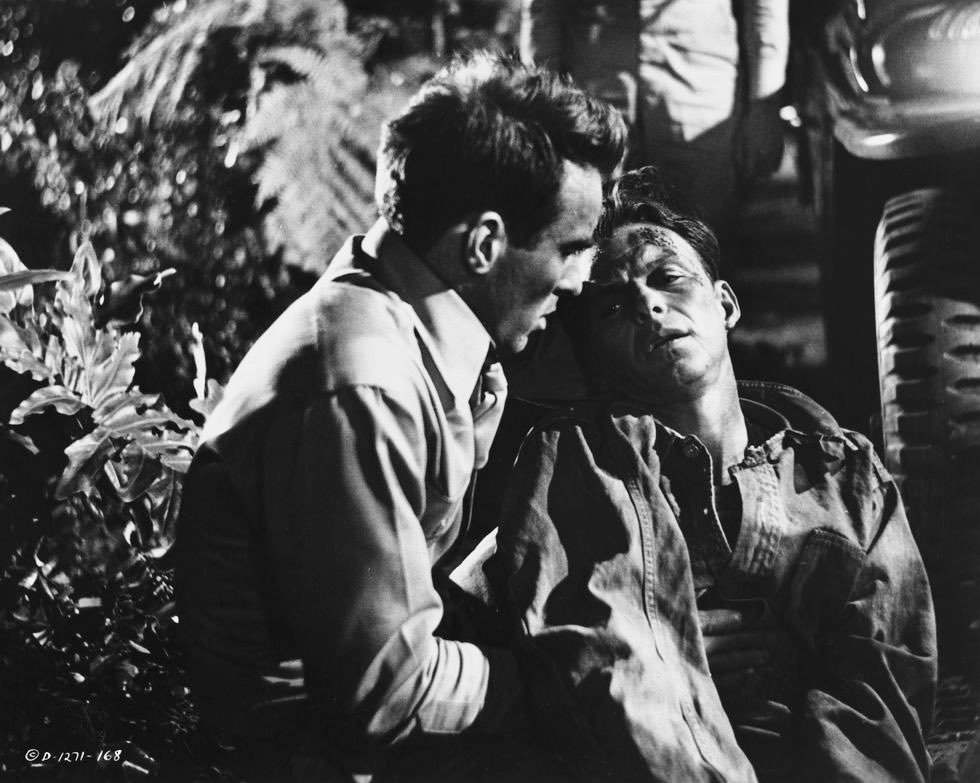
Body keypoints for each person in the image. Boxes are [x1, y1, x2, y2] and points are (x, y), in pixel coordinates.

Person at [175, 51, 626, 781]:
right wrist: (567, 679)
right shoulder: (364, 386)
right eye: (570, 249)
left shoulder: (408, 325)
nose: (579, 280)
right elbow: (385, 696)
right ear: (483, 244)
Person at [463, 167, 937, 781]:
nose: (648, 304)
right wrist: (677, 654)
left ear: (725, 303)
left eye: (667, 278)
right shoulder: (580, 460)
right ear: (593, 361)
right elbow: (598, 663)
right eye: (613, 306)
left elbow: (885, 683)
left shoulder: (847, 480)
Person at [519, 0, 788, 251]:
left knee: (703, 245)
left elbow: (764, 7)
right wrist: (544, 101)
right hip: (595, 95)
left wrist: (764, 105)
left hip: (702, 99)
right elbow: (543, 9)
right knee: (594, 245)